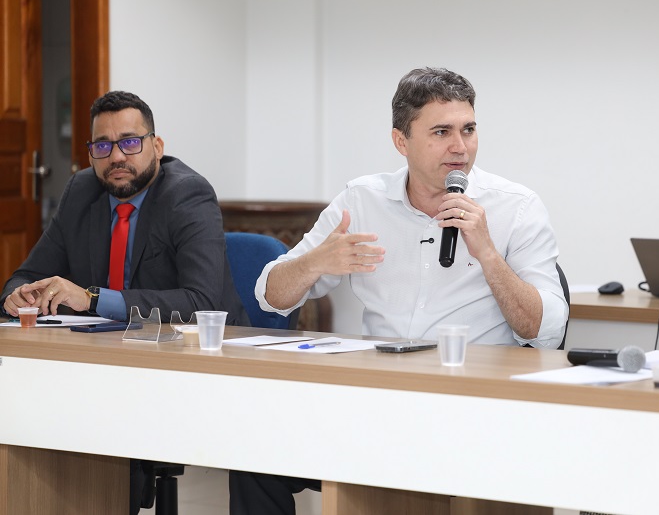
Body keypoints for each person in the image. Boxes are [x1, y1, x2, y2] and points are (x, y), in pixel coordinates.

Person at [229, 67, 568, 514]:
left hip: (474, 407)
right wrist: (315, 263)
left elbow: (544, 332)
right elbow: (269, 294)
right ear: (400, 141)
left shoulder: (516, 208)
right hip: (376, 399)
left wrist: (487, 253)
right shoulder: (361, 201)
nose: (460, 147)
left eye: (468, 129)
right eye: (441, 132)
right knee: (252, 446)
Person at [0, 90, 249, 514]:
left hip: (190, 365)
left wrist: (93, 298)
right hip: (105, 363)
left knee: (95, 423)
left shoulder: (188, 194)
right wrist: (17, 295)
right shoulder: (82, 191)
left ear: (157, 146)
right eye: (102, 145)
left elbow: (200, 300)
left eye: (129, 142)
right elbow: (24, 274)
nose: (116, 156)